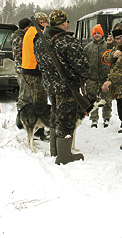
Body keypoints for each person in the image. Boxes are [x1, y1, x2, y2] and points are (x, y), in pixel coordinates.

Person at [34, 10, 90, 164]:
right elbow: (83, 67)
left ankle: (54, 150)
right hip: (66, 88)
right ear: (64, 23)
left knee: (55, 115)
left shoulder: (39, 42)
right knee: (66, 120)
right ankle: (64, 156)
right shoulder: (67, 41)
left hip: (49, 86)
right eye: (67, 22)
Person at [18, 12, 49, 112]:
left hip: (27, 69)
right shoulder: (38, 33)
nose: (47, 24)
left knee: (29, 99)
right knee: (40, 101)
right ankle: (39, 126)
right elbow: (42, 53)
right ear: (41, 22)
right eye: (46, 21)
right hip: (35, 71)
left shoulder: (30, 31)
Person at [84, 24, 112, 128]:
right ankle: (94, 119)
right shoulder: (88, 48)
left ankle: (106, 118)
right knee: (92, 99)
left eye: (98, 33)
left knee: (107, 99)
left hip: (105, 78)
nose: (96, 35)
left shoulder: (108, 46)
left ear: (102, 34)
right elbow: (84, 62)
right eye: (95, 33)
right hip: (92, 78)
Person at [10, 17, 32, 129]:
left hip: (22, 68)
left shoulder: (18, 36)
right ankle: (21, 121)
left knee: (25, 93)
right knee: (24, 95)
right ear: (26, 27)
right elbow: (19, 55)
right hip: (22, 68)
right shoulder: (19, 37)